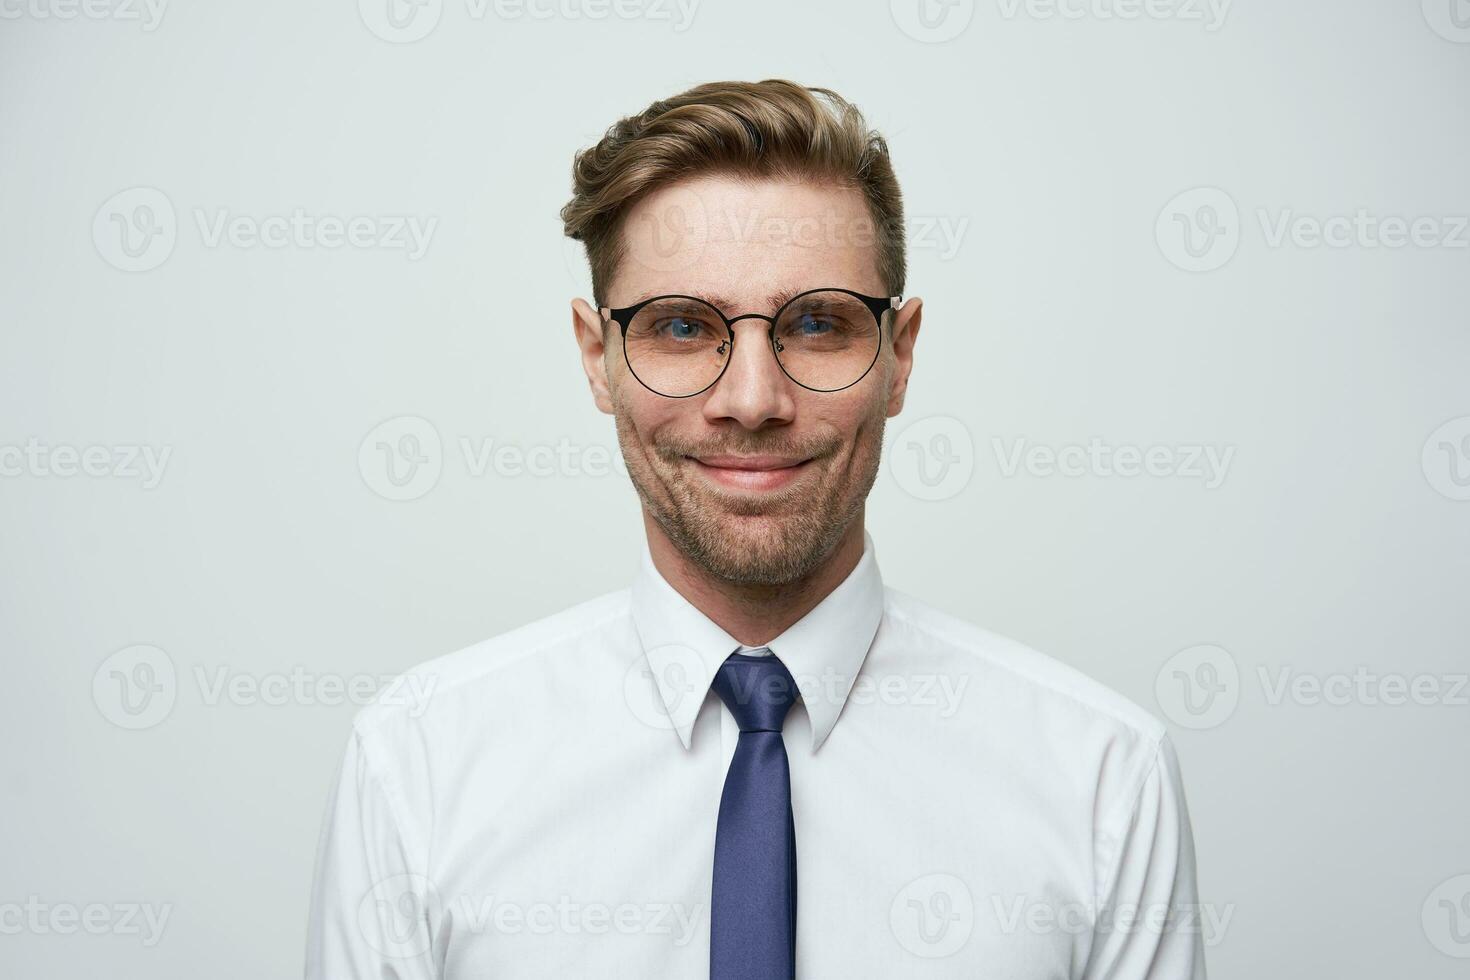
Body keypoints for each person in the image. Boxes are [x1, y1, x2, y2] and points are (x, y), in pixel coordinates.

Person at [305, 78, 1207, 979]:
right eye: (682, 327)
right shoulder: (419, 766)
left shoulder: (1102, 782)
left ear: (900, 358)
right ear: (598, 358)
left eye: (818, 324)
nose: (751, 402)